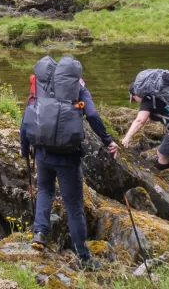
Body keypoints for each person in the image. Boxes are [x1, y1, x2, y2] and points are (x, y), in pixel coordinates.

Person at [20, 55, 118, 271]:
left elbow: (26, 119)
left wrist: (25, 149)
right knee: (73, 205)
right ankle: (83, 256)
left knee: (45, 190)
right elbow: (92, 115)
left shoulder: (41, 87)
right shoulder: (78, 89)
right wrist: (108, 141)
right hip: (68, 157)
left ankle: (40, 234)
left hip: (42, 153)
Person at [121, 72, 169, 174]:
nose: (135, 101)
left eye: (133, 98)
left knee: (162, 154)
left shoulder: (148, 100)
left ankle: (161, 183)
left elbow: (140, 121)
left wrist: (127, 137)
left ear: (136, 93)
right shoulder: (159, 95)